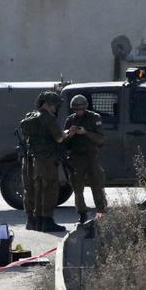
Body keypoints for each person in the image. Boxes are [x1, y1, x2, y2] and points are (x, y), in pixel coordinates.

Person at [28, 91, 74, 232]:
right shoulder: (48, 118)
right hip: (48, 159)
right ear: (48, 104)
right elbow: (59, 138)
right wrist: (69, 132)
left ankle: (39, 221)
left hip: (36, 159)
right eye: (54, 105)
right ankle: (47, 220)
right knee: (50, 189)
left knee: (39, 189)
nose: (55, 108)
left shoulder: (32, 116)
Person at [64, 94, 107, 223]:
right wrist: (69, 134)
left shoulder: (94, 118)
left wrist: (86, 132)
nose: (79, 112)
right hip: (76, 157)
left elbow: (100, 139)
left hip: (91, 156)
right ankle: (82, 213)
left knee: (97, 184)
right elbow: (64, 142)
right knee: (77, 187)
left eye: (81, 109)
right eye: (76, 109)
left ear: (85, 107)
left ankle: (101, 212)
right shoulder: (70, 120)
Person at [18, 92, 46, 231]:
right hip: (33, 158)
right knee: (36, 189)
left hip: (29, 157)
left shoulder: (29, 118)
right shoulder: (39, 119)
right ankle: (35, 219)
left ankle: (31, 219)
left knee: (29, 190)